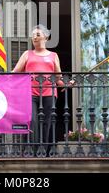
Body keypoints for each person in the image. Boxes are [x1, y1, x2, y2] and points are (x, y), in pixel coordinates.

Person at [12, 24, 71, 154]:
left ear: (46, 37)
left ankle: (43, 150)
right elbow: (15, 72)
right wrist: (1, 78)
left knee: (47, 122)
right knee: (32, 120)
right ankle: (31, 150)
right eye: (33, 35)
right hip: (30, 93)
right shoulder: (27, 54)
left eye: (38, 35)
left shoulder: (53, 56)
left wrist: (67, 84)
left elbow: (57, 78)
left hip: (49, 93)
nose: (35, 37)